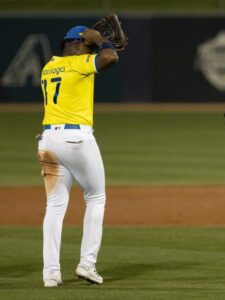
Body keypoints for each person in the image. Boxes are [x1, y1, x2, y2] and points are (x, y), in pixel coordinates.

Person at [37, 25, 118, 287]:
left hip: (48, 141)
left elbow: (101, 57)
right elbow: (110, 58)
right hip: (76, 139)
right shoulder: (76, 63)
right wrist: (104, 41)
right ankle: (87, 264)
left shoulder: (49, 67)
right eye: (87, 45)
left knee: (55, 206)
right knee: (96, 197)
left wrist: (96, 43)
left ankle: (50, 273)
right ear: (73, 45)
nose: (91, 49)